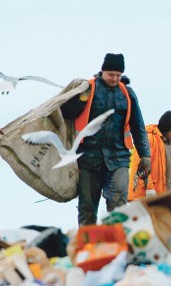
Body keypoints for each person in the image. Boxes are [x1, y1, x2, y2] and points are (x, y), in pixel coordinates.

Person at [60, 53, 151, 225]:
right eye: (112, 75)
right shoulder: (87, 89)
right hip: (88, 159)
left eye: (119, 75)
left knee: (118, 206)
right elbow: (66, 114)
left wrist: (145, 156)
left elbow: (138, 128)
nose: (115, 78)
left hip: (118, 159)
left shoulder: (127, 94)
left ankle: (116, 244)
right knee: (87, 208)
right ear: (102, 71)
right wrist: (79, 100)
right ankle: (88, 247)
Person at [128, 110, 171, 201]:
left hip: (162, 197)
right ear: (169, 127)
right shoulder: (149, 139)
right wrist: (149, 188)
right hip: (144, 197)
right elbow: (140, 166)